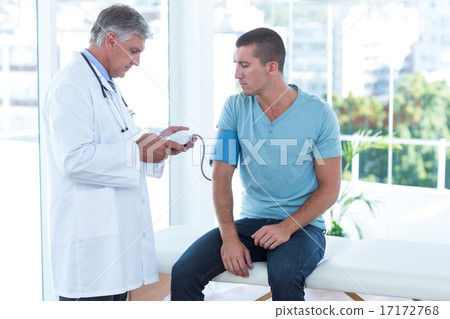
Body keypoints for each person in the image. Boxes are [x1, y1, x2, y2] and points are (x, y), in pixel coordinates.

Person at [171, 27, 342, 301]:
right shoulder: (234, 108)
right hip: (251, 224)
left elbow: (330, 188)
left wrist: (286, 227)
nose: (237, 74)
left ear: (271, 67)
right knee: (183, 272)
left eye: (245, 65)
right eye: (236, 65)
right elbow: (221, 177)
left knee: (284, 275)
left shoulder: (319, 114)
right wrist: (229, 238)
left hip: (302, 228)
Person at [43, 4, 193, 301]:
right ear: (111, 40)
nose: (137, 62)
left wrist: (158, 140)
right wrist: (138, 153)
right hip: (89, 250)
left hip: (113, 245)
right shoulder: (71, 85)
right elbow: (73, 160)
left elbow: (121, 139)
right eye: (134, 51)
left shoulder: (105, 85)